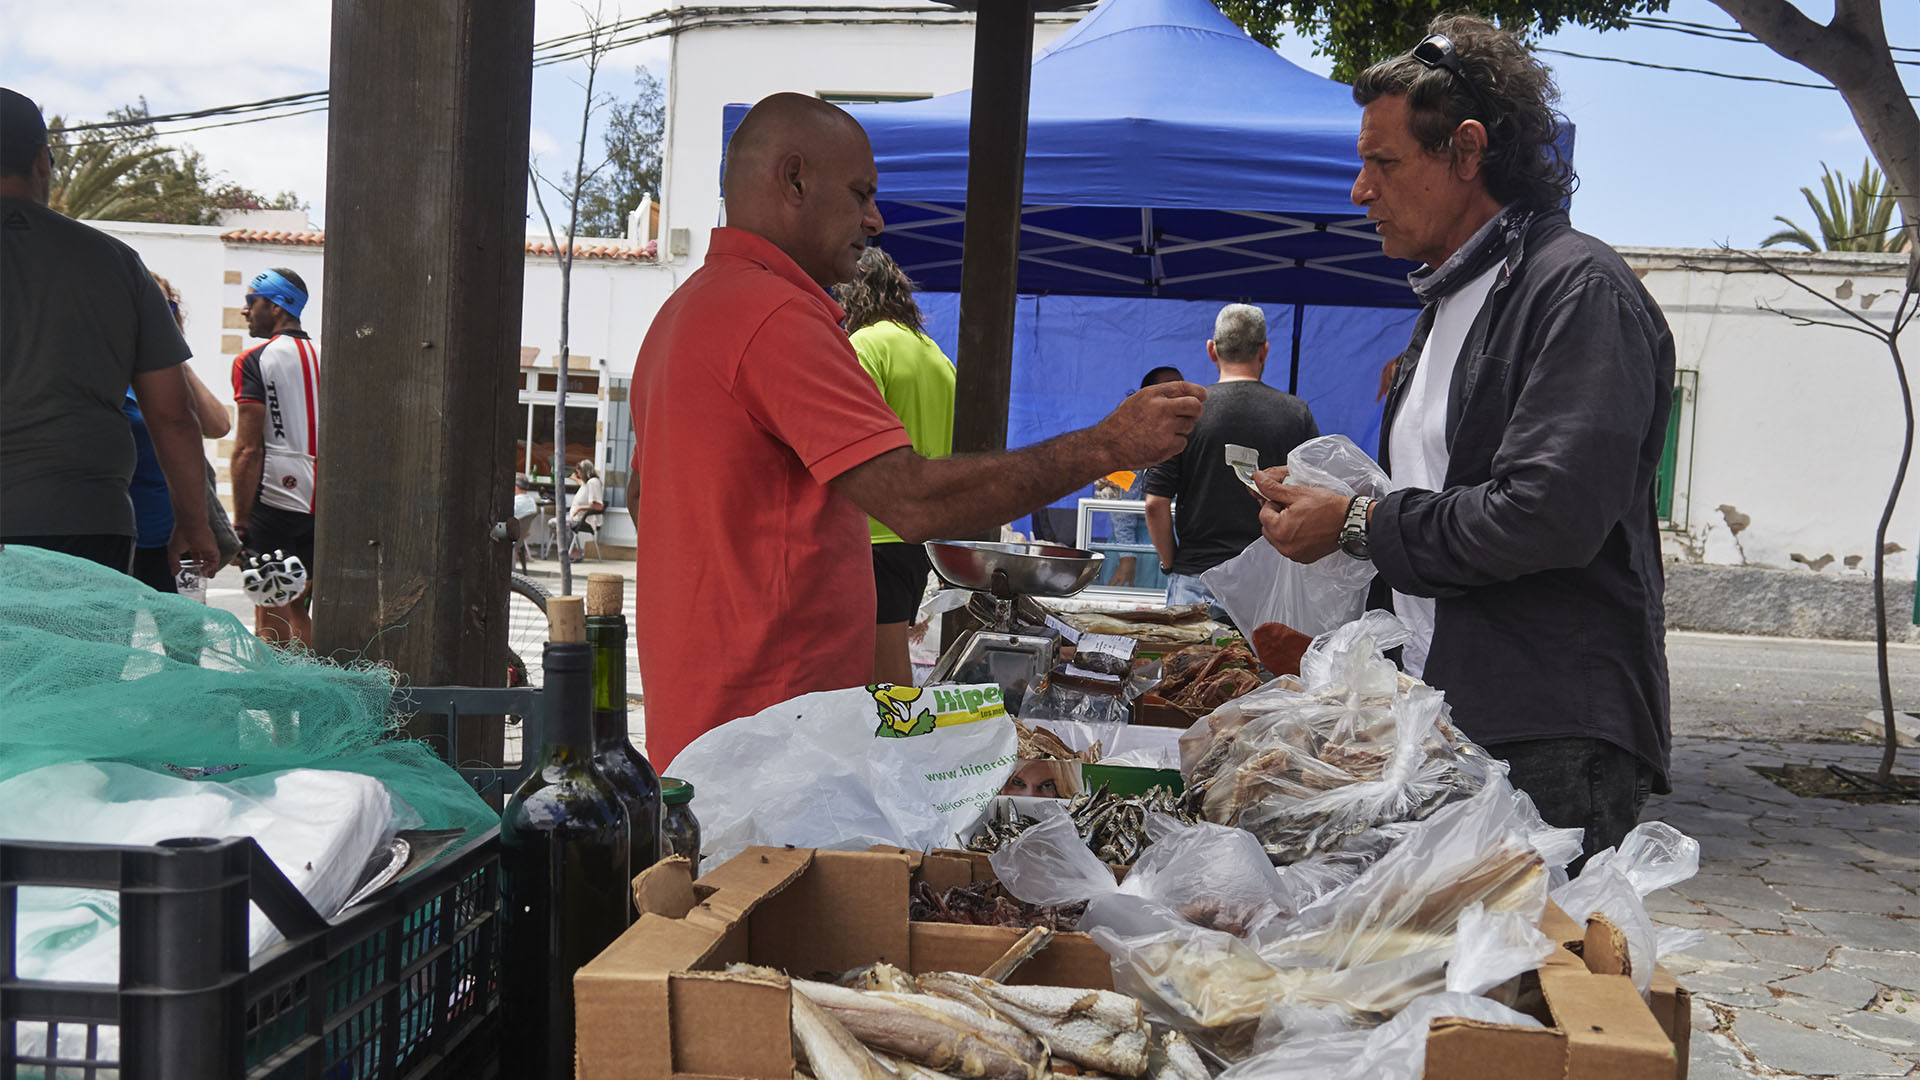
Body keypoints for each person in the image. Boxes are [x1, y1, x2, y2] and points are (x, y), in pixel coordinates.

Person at [627, 92, 1205, 769]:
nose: (875, 219)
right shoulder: (778, 317)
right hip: (776, 742)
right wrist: (1107, 445)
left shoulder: (682, 314)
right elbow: (912, 501)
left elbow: (646, 500)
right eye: (861, 194)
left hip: (703, 731)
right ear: (793, 180)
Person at [1253, 15, 1675, 865]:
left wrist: (1357, 522)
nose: (1359, 191)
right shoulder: (1448, 305)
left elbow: (1546, 514)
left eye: (1383, 162)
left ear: (1468, 149)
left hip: (1544, 735)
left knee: (1514, 990)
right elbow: (1444, 497)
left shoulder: (1577, 290)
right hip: (1444, 714)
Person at [0, 88, 217, 579]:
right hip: (84, 523)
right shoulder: (115, 263)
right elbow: (172, 414)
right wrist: (193, 522)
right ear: (41, 161)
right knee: (80, 659)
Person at [832, 247, 957, 686]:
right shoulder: (936, 355)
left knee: (881, 675)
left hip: (872, 532)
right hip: (918, 534)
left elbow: (846, 437)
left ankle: (900, 751)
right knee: (890, 664)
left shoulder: (865, 345)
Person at [1143, 305, 1318, 617]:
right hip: (1269, 583)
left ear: (1212, 350)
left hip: (1195, 580)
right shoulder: (1296, 414)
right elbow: (1314, 497)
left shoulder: (1187, 413)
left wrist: (1171, 564)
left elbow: (1155, 503)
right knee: (1267, 668)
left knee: (1188, 666)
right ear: (1264, 351)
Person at [124, 273, 234, 592]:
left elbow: (218, 425)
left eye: (165, 308)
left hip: (176, 535)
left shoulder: (173, 375)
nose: (155, 318)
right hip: (119, 535)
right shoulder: (107, 371)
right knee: (110, 638)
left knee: (186, 640)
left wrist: (174, 358)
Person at [230, 266, 320, 646]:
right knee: (299, 608)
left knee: (271, 610)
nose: (245, 311)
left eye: (252, 302)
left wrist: (240, 522)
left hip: (275, 497)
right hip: (323, 501)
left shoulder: (254, 359)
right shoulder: (327, 355)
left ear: (277, 306)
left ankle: (279, 701)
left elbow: (248, 449)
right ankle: (309, 698)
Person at [1097, 365, 1186, 587]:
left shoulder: (1188, 436)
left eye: (1181, 391)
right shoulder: (1123, 440)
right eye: (1167, 392)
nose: (1176, 397)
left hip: (1179, 546)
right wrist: (1127, 557)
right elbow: (1120, 507)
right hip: (1139, 551)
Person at [562, 459, 604, 563]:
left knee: (560, 523)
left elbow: (598, 506)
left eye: (578, 472)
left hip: (584, 519)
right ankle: (573, 550)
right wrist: (575, 479)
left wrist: (580, 508)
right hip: (576, 517)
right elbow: (582, 484)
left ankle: (573, 552)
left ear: (584, 471)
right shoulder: (587, 483)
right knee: (554, 522)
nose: (578, 474)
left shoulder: (592, 483)